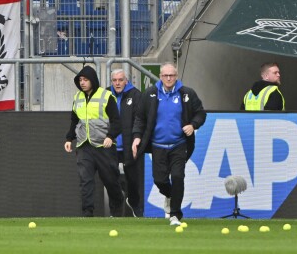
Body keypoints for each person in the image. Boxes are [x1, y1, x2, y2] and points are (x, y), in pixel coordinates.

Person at [131, 62, 206, 226]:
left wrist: (193, 125)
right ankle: (171, 195)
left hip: (179, 145)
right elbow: (140, 118)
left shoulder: (187, 93)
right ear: (160, 77)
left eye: (171, 75)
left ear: (176, 76)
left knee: (178, 177)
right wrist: (137, 137)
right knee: (160, 180)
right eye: (165, 75)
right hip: (158, 146)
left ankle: (175, 214)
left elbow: (200, 113)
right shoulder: (150, 94)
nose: (169, 78)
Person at [64, 65, 125, 217]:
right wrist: (69, 138)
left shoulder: (106, 96)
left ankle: (117, 210)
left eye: (85, 80)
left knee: (111, 181)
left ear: (93, 80)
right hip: (84, 145)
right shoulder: (77, 97)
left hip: (104, 145)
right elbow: (74, 120)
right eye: (80, 80)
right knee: (85, 180)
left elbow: (117, 121)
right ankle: (87, 213)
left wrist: (110, 137)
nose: (82, 83)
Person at [108, 68, 144, 217]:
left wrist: (137, 138)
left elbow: (140, 119)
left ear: (126, 81)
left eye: (120, 80)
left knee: (133, 180)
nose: (117, 83)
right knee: (111, 181)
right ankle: (115, 213)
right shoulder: (105, 95)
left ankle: (134, 203)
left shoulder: (135, 95)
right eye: (114, 80)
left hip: (130, 146)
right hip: (111, 146)